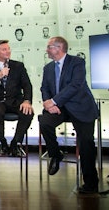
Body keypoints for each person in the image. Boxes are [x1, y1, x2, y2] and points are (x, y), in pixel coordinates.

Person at [39, 36, 99, 194]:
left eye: (49, 47)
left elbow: (75, 85)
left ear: (58, 48)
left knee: (86, 142)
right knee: (45, 122)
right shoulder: (48, 68)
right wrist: (48, 102)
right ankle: (56, 154)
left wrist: (54, 101)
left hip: (80, 107)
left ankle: (91, 183)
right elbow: (44, 87)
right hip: (59, 108)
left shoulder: (77, 62)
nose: (47, 50)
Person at [0, 40, 34, 156]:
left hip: (15, 100)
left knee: (28, 112)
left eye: (8, 49)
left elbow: (27, 85)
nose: (8, 51)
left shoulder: (18, 66)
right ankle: (3, 143)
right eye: (4, 49)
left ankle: (16, 143)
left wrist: (27, 101)